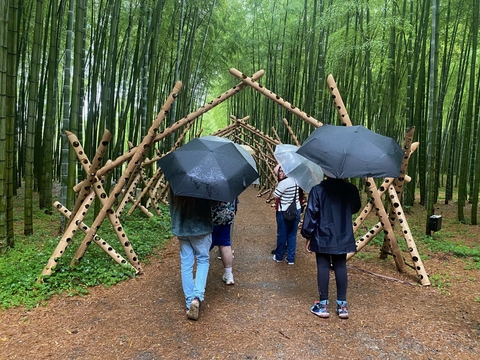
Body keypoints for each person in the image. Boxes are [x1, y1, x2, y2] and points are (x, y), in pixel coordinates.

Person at [301, 176, 361, 319]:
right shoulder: (350, 189)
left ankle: (323, 305)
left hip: (322, 234)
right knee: (340, 265)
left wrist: (308, 234)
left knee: (323, 266)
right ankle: (342, 306)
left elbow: (311, 213)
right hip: (342, 233)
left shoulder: (318, 190)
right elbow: (355, 208)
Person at [169, 189, 213, 321]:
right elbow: (213, 203)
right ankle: (197, 297)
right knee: (203, 259)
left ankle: (189, 302)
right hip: (200, 226)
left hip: (181, 225)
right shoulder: (205, 178)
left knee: (186, 263)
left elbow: (171, 204)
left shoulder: (176, 177)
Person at [272, 165, 301, 265]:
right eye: (280, 171)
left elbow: (275, 195)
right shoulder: (296, 180)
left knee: (282, 235)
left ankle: (279, 256)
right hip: (296, 209)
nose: (280, 173)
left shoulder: (284, 183)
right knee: (292, 235)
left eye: (282, 171)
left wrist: (276, 186)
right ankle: (290, 258)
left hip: (284, 211)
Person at [211, 198, 238, 285]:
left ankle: (201, 275)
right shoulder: (228, 184)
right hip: (226, 216)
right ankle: (229, 275)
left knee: (204, 245)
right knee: (225, 244)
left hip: (210, 217)